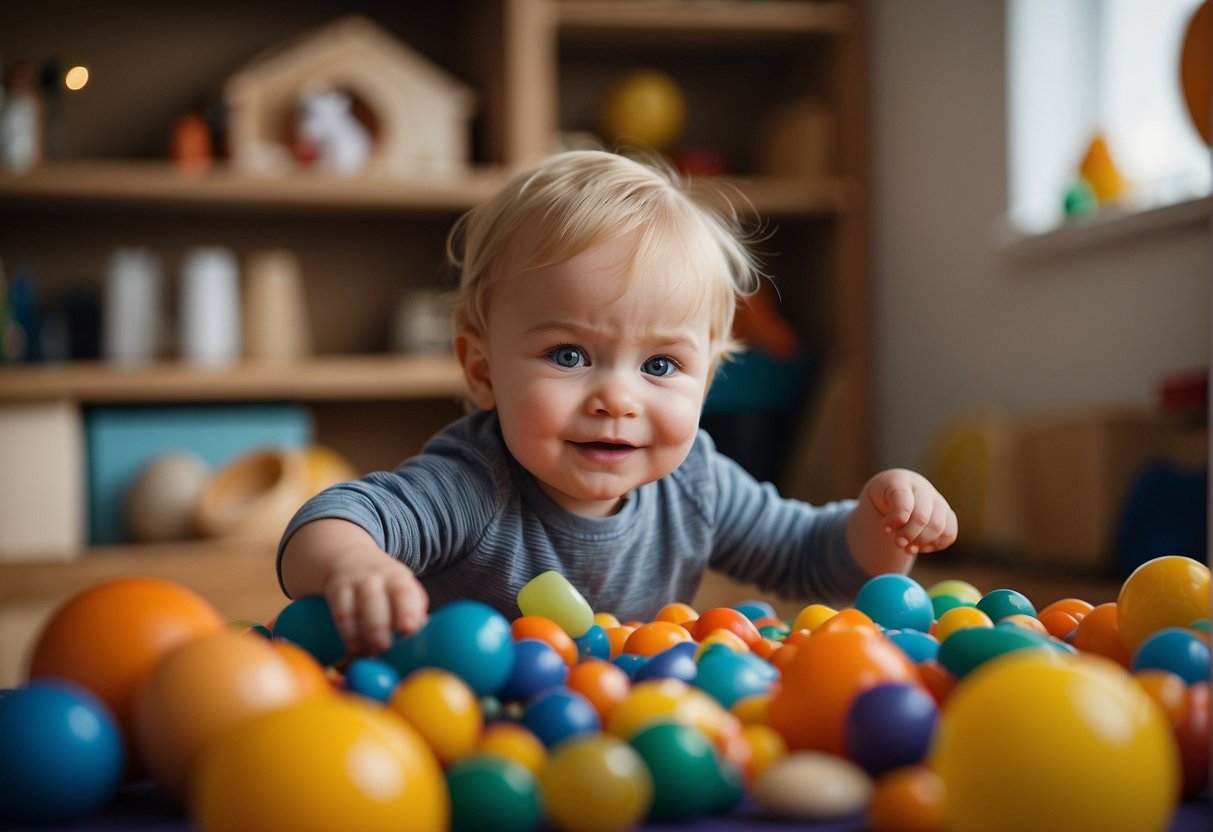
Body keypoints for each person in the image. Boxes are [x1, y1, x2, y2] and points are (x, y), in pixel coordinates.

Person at [277, 150, 957, 656]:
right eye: (569, 356)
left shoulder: (694, 481)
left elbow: (815, 560)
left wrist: (884, 519)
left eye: (660, 365)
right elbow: (330, 519)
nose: (616, 398)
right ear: (481, 370)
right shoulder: (473, 483)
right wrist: (355, 563)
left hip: (632, 732)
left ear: (707, 378)